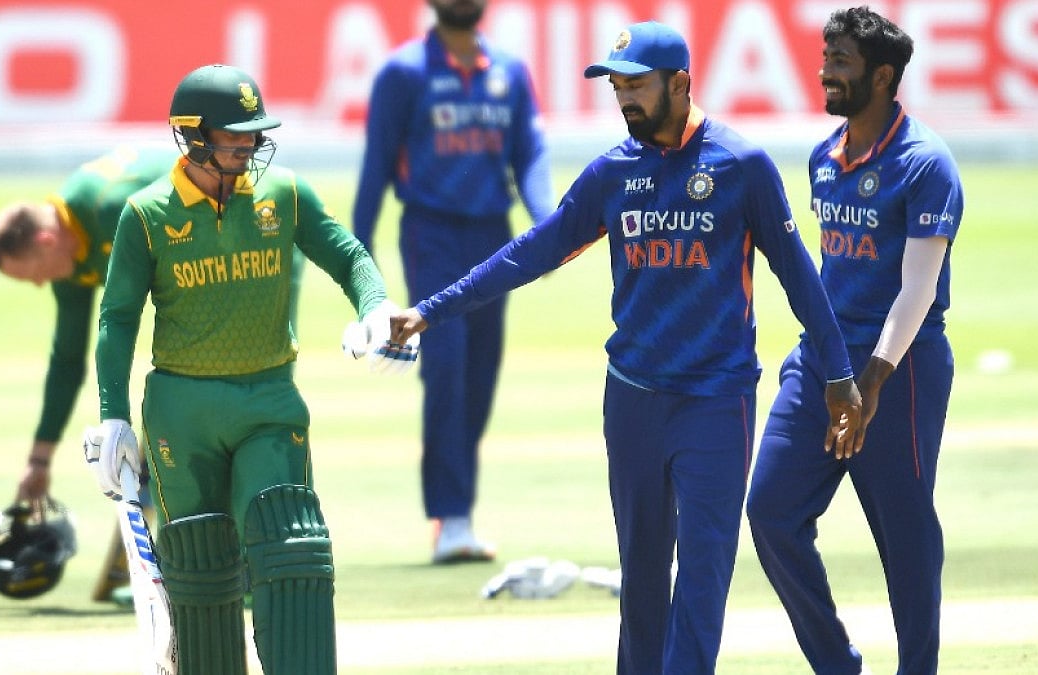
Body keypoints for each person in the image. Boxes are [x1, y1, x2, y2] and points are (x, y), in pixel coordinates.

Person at [384, 21, 864, 674]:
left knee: (702, 571)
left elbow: (798, 274)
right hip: (633, 397)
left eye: (637, 86)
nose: (626, 101)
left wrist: (839, 372)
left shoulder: (740, 165)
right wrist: (431, 311)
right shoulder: (614, 172)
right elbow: (533, 251)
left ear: (681, 83)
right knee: (641, 578)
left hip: (716, 400)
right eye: (617, 87)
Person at [83, 63, 415, 674]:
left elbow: (347, 254)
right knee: (201, 563)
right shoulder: (148, 213)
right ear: (192, 134)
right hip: (180, 411)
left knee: (291, 547)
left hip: (268, 397)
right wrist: (112, 417)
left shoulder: (284, 193)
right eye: (234, 135)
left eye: (253, 134)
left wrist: (376, 306)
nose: (249, 145)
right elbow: (117, 320)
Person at [746, 7, 964, 674]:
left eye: (840, 62)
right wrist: (832, 368)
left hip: (900, 371)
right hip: (822, 362)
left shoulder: (926, 164)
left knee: (904, 533)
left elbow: (917, 290)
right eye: (826, 58)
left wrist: (869, 384)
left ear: (882, 76)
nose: (825, 72)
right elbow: (829, 271)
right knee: (771, 512)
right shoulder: (823, 157)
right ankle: (839, 665)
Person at [352, 0, 555, 563]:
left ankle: (457, 511)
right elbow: (376, 163)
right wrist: (358, 260)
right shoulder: (405, 72)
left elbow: (531, 153)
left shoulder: (510, 71)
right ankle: (452, 516)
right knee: (446, 367)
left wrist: (551, 223)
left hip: (495, 237)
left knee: (480, 371)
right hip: (431, 234)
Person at [0, 145, 180, 602]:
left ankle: (242, 570)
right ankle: (167, 564)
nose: (38, 284)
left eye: (31, 274)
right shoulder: (70, 252)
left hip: (244, 258)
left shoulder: (111, 210)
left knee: (194, 407)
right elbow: (68, 358)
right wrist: (39, 460)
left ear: (46, 242)